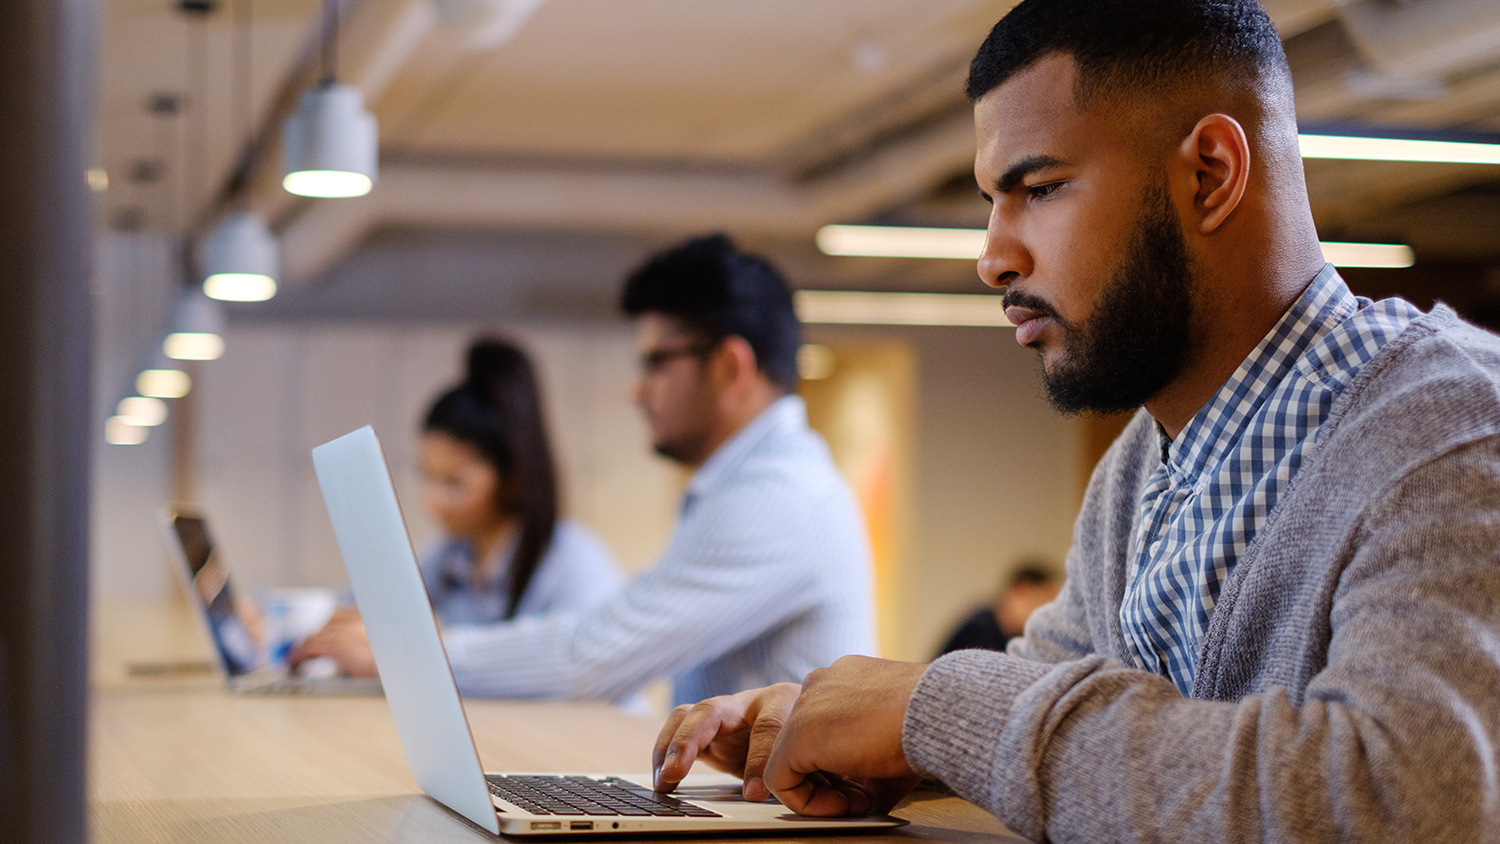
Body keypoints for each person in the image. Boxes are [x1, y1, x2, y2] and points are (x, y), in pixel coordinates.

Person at [650, 2, 1500, 841]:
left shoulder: (1454, 428)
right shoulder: (1141, 465)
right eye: (992, 201)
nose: (993, 257)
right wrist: (841, 730)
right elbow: (1050, 717)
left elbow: (1406, 799)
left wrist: (928, 706)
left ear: (1210, 173)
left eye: (1041, 188)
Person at [301, 233, 877, 705]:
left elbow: (590, 659)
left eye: (656, 364)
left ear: (730, 368)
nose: (637, 391)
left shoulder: (779, 498)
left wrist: (409, 654)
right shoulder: (748, 486)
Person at [294, 338, 622, 677]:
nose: (432, 502)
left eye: (453, 484)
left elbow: (588, 666)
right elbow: (362, 604)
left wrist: (426, 645)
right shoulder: (452, 557)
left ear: (512, 476)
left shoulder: (574, 559)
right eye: (427, 478)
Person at [935, 564, 1058, 657]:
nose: (1046, 616)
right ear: (1021, 591)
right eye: (1040, 603)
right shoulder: (978, 630)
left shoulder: (1012, 635)